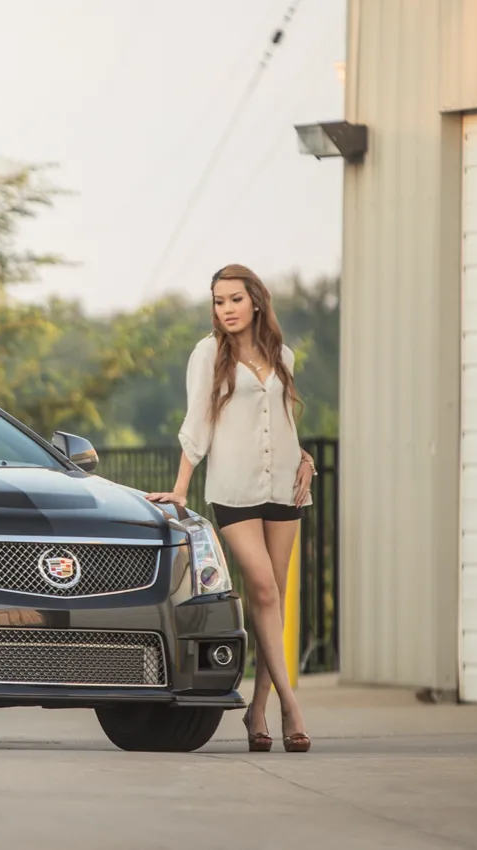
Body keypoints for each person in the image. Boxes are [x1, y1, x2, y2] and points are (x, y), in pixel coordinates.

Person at [145, 264, 314, 753]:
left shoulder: (283, 355)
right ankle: (290, 705)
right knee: (261, 589)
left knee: (273, 604)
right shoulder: (208, 353)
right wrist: (181, 487)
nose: (226, 310)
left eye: (234, 300)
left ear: (255, 301)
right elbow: (197, 418)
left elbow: (281, 420)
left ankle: (257, 712)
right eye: (219, 302)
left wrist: (305, 460)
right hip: (233, 489)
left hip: (283, 487)